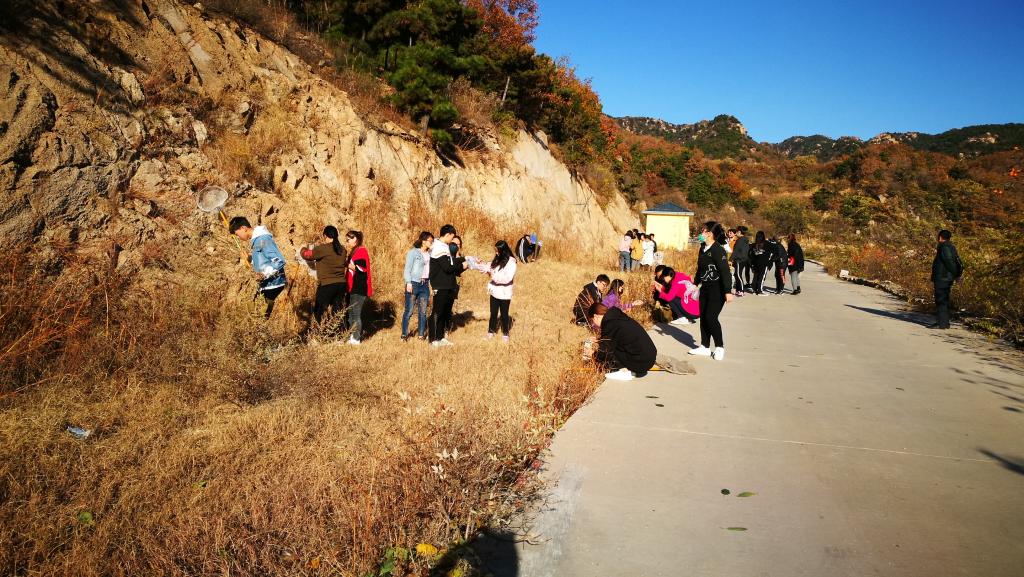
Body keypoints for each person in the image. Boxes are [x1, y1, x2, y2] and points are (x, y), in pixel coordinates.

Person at [689, 221, 734, 360]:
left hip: (718, 290)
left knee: (711, 317)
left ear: (710, 234)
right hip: (705, 288)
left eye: (703, 231)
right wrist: (695, 283)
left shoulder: (718, 250)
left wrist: (728, 291)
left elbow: (725, 272)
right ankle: (705, 346)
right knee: (703, 317)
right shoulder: (702, 248)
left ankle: (719, 347)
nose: (701, 233)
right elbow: (700, 268)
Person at [229, 217, 287, 319]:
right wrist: (250, 258)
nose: (238, 237)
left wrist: (263, 274)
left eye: (237, 234)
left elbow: (279, 261)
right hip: (266, 284)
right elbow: (263, 261)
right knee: (255, 315)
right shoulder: (256, 241)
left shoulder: (263, 239)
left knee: (259, 317)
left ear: (243, 228)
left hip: (273, 284)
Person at [587, 302, 657, 381]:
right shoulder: (616, 317)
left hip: (641, 363)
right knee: (614, 346)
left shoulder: (609, 324)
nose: (593, 324)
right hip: (649, 356)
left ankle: (626, 372)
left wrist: (592, 354)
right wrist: (600, 340)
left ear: (595, 316)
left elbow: (604, 351)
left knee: (610, 354)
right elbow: (618, 337)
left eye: (592, 321)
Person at [300, 225, 348, 327]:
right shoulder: (343, 249)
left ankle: (317, 333)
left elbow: (307, 255)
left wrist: (303, 248)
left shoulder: (323, 249)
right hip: (341, 284)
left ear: (325, 236)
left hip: (327, 284)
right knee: (338, 312)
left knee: (319, 311)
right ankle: (340, 333)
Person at [428, 224, 468, 346]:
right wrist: (461, 265)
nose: (452, 240)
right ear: (448, 234)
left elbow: (451, 262)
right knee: (437, 312)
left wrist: (465, 259)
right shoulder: (438, 247)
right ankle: (433, 339)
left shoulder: (444, 246)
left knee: (445, 312)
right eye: (452, 237)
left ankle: (440, 338)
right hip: (440, 284)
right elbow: (447, 267)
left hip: (447, 284)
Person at [479, 240, 517, 341]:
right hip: (494, 292)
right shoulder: (497, 259)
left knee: (504, 314)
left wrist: (493, 276)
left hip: (504, 293)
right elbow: (490, 267)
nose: (496, 253)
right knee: (493, 313)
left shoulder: (511, 263)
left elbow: (507, 279)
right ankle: (491, 332)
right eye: (495, 251)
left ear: (503, 251)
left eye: (497, 251)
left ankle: (505, 333)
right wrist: (481, 264)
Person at [401, 231, 433, 340]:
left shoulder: (430, 254)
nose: (431, 243)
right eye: (430, 241)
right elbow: (407, 269)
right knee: (409, 311)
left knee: (423, 311)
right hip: (414, 283)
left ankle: (421, 335)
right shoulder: (413, 252)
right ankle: (404, 334)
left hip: (425, 284)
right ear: (423, 241)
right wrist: (408, 282)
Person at [930, 229, 962, 329]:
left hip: (943, 277)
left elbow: (949, 262)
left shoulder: (944, 247)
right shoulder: (950, 247)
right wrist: (956, 275)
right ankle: (945, 322)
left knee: (941, 300)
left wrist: (956, 275)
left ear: (940, 237)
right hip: (946, 277)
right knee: (944, 299)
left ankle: (942, 323)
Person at [344, 230, 372, 344]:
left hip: (359, 287)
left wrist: (346, 264)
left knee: (356, 314)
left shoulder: (361, 251)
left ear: (355, 239)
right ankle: (352, 336)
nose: (347, 242)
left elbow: (361, 269)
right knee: (351, 314)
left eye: (348, 240)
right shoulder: (354, 251)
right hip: (353, 287)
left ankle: (356, 339)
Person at [750, 231, 772, 295]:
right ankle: (759, 290)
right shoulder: (767, 244)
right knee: (761, 277)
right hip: (764, 263)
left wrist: (752, 262)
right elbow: (774, 250)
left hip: (756, 263)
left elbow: (751, 254)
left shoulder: (754, 244)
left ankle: (754, 289)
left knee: (756, 276)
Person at [731, 227, 751, 295]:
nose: (736, 233)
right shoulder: (745, 240)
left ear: (739, 232)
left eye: (736, 231)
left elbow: (736, 250)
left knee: (738, 275)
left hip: (739, 259)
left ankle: (741, 290)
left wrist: (731, 259)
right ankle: (738, 290)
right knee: (737, 274)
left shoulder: (740, 240)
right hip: (743, 259)